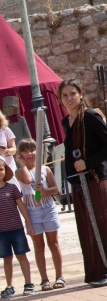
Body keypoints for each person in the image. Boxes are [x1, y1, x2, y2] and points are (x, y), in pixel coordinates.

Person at [59, 78, 107, 287]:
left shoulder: (90, 116)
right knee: (86, 227)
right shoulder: (65, 121)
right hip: (79, 183)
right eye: (65, 95)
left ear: (80, 94)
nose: (69, 98)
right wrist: (72, 175)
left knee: (102, 223)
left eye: (72, 94)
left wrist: (88, 163)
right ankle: (96, 272)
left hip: (96, 178)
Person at [15, 139, 65, 291]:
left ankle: (59, 276)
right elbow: (27, 180)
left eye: (32, 150)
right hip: (32, 211)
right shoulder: (18, 172)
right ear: (20, 154)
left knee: (53, 243)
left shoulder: (45, 170)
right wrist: (22, 164)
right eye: (25, 151)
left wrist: (44, 190)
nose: (29, 153)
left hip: (47, 208)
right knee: (39, 246)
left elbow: (55, 189)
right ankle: (44, 279)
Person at [0, 156, 35, 297]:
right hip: (1, 232)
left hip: (17, 229)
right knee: (7, 259)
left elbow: (22, 207)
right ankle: (9, 286)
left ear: (5, 171)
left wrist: (29, 224)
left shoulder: (12, 188)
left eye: (1, 169)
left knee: (22, 256)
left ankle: (28, 283)